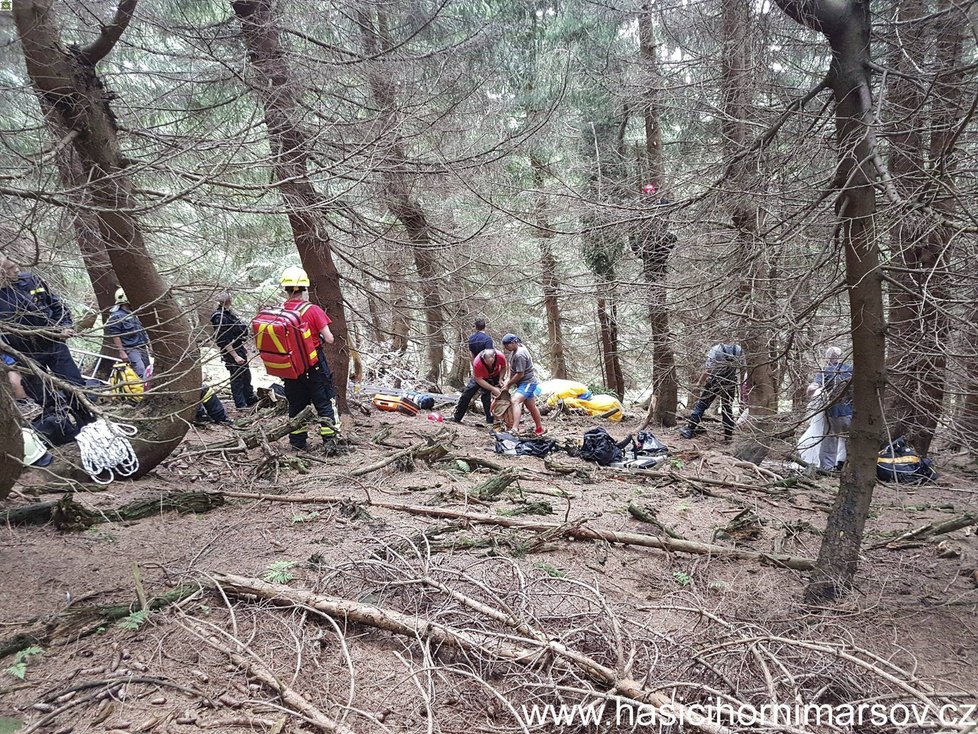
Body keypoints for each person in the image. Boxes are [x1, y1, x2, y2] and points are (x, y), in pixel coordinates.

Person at [0, 255, 89, 418]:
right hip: (26, 355)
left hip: (54, 344)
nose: (17, 269)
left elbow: (56, 304)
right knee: (45, 399)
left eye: (15, 265)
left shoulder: (30, 280)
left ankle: (88, 423)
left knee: (75, 387)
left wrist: (64, 326)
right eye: (11, 268)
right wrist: (10, 359)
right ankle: (64, 432)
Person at [277, 266, 339, 453]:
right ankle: (330, 442)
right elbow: (329, 338)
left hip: (290, 367)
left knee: (296, 404)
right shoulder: (312, 310)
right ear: (304, 288)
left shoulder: (279, 310)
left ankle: (297, 442)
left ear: (285, 289)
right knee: (324, 402)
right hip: (314, 365)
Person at [678, 343, 746, 441]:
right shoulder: (739, 349)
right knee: (727, 409)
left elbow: (708, 370)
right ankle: (728, 436)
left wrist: (699, 382)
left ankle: (689, 429)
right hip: (730, 383)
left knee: (701, 405)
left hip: (715, 381)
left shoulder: (716, 349)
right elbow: (742, 367)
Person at [807, 346, 853, 471]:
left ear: (828, 357)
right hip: (852, 412)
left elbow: (813, 388)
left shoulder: (826, 371)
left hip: (834, 412)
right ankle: (847, 465)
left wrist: (811, 390)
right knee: (850, 441)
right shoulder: (850, 369)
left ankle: (827, 467)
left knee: (830, 440)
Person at [210, 291, 258, 410]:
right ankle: (240, 404)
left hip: (238, 348)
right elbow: (223, 340)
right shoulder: (219, 317)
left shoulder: (228, 314)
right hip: (231, 351)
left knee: (246, 375)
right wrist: (235, 356)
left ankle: (250, 398)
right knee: (237, 377)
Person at [500, 334, 546, 436]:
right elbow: (511, 368)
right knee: (531, 406)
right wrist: (507, 380)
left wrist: (509, 384)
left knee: (515, 401)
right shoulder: (514, 351)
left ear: (513, 343)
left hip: (528, 383)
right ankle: (539, 429)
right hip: (522, 383)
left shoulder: (520, 354)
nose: (505, 348)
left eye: (507, 345)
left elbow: (520, 374)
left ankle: (515, 428)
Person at [453, 347, 506, 425]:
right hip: (480, 378)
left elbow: (504, 367)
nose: (490, 365)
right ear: (483, 358)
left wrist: (501, 379)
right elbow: (479, 380)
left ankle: (490, 418)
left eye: (491, 363)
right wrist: (493, 388)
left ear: (494, 356)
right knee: (466, 394)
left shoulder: (500, 356)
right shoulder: (477, 362)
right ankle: (457, 417)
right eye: (487, 363)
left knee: (487, 397)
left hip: (495, 376)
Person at [106, 288, 151, 379]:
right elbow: (115, 335)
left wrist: (148, 345)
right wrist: (122, 352)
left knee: (148, 370)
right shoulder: (116, 316)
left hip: (142, 347)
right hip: (131, 349)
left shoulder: (133, 313)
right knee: (140, 370)